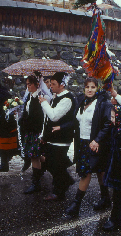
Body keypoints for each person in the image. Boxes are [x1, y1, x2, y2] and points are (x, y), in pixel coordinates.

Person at [64, 77, 112, 218]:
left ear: (97, 88)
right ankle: (106, 199)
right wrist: (61, 127)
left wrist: (97, 140)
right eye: (87, 87)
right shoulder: (81, 101)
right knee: (100, 170)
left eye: (93, 87)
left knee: (87, 172)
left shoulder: (103, 103)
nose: (90, 90)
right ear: (84, 88)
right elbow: (75, 122)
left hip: (96, 143)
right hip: (82, 143)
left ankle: (76, 205)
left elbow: (107, 124)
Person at [39, 72, 75, 200]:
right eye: (51, 83)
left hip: (61, 138)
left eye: (54, 84)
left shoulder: (67, 99)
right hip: (53, 138)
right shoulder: (57, 96)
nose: (51, 86)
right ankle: (66, 180)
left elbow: (54, 116)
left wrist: (44, 103)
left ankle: (59, 192)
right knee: (51, 163)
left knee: (55, 164)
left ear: (62, 85)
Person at [20, 74, 47, 194]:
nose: (28, 86)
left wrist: (25, 122)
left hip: (35, 131)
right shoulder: (30, 97)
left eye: (29, 84)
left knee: (34, 156)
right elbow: (27, 113)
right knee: (35, 156)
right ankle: (55, 169)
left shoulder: (39, 98)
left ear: (36, 84)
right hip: (29, 131)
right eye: (27, 84)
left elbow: (38, 117)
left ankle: (36, 183)